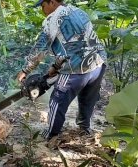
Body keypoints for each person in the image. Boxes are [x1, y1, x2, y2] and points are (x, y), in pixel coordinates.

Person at [16, 0, 107, 142]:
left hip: (76, 68)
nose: (42, 9)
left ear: (52, 2)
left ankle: (51, 136)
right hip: (98, 62)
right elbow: (75, 44)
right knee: (87, 99)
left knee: (57, 101)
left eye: (43, 5)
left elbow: (40, 48)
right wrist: (56, 67)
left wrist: (25, 70)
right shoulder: (79, 12)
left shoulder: (52, 19)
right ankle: (84, 129)